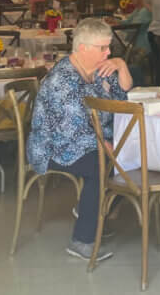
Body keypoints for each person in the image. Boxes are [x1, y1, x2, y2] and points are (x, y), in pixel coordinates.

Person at [27, 18, 132, 263]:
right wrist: (107, 147)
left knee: (133, 156)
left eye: (109, 48)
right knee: (103, 164)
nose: (108, 52)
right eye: (103, 48)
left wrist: (120, 64)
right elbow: (72, 129)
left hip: (88, 139)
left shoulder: (96, 70)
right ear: (83, 48)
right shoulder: (63, 80)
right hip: (53, 146)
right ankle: (82, 240)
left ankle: (93, 210)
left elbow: (122, 95)